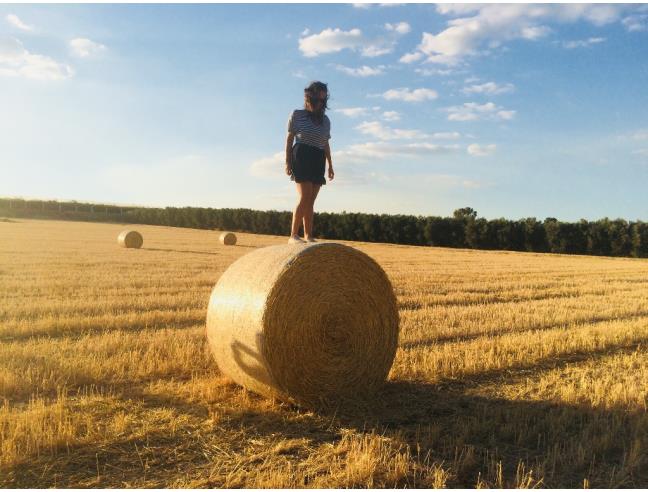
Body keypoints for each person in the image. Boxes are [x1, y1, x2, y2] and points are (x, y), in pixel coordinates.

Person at [285, 81, 335, 244]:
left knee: (311, 201)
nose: (320, 103)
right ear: (308, 97)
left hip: (318, 157)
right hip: (302, 155)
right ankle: (293, 235)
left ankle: (308, 236)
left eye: (323, 100)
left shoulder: (326, 121)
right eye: (317, 99)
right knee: (304, 196)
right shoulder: (297, 115)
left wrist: (330, 165)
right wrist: (287, 161)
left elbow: (325, 143)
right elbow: (290, 138)